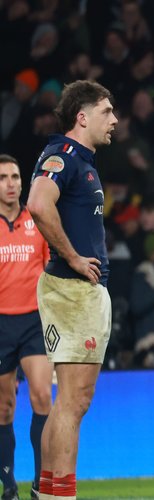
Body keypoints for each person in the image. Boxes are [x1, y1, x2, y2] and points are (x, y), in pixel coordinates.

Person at [25, 80, 117, 500]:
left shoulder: (80, 160)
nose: (114, 120)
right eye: (106, 111)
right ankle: (60, 495)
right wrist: (75, 258)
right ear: (82, 117)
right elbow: (38, 204)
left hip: (77, 292)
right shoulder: (64, 155)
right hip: (72, 290)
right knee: (74, 401)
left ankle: (47, 493)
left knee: (69, 401)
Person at [0, 154, 52, 500]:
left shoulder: (37, 218)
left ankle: (40, 483)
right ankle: (8, 486)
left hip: (34, 320)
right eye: (3, 177)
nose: (11, 183)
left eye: (15, 176)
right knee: (4, 407)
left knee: (43, 397)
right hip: (1, 324)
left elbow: (50, 272)